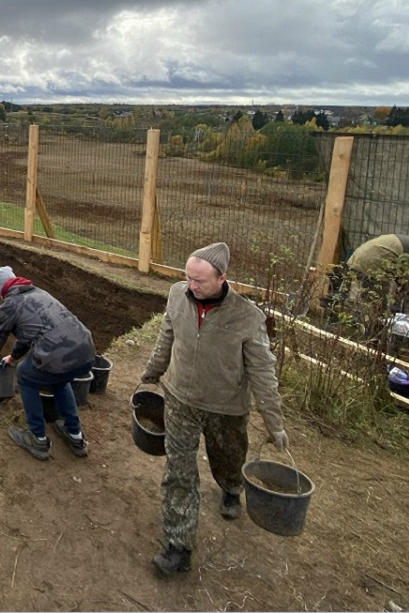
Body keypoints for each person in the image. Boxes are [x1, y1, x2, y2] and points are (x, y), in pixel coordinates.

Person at [140, 242, 288, 576]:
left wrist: (274, 422)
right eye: (188, 278)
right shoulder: (177, 295)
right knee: (179, 472)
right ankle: (179, 546)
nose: (191, 286)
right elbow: (166, 337)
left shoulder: (247, 317)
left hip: (226, 407)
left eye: (200, 281)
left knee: (228, 457)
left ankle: (232, 487)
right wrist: (152, 372)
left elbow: (263, 372)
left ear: (223, 278)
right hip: (179, 399)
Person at [0, 266, 95, 461]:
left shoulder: (9, 304)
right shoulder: (38, 293)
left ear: (1, 291)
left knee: (25, 375)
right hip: (87, 352)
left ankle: (37, 437)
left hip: (59, 356)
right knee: (59, 380)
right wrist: (12, 356)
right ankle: (75, 436)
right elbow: (30, 333)